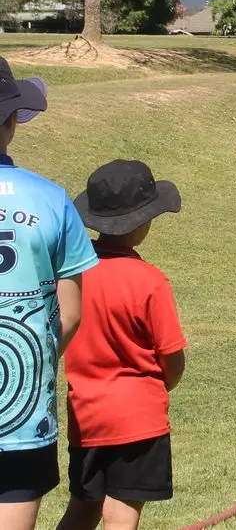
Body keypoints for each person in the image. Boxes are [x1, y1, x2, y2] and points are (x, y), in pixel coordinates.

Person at [58, 161, 186, 530]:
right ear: (143, 221)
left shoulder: (73, 275)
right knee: (121, 517)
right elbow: (172, 360)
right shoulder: (149, 281)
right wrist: (160, 386)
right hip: (138, 421)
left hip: (85, 417)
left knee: (82, 509)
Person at [0, 58, 98, 530]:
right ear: (13, 120)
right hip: (21, 414)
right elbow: (71, 314)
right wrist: (33, 358)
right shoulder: (51, 199)